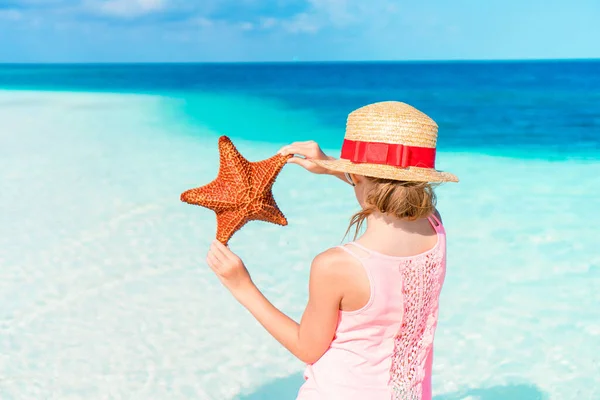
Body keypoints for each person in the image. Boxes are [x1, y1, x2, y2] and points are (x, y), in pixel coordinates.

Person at [205, 101, 459, 400]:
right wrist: (331, 166)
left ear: (359, 176)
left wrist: (242, 286)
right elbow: (390, 194)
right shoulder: (433, 226)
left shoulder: (338, 265)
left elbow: (307, 347)